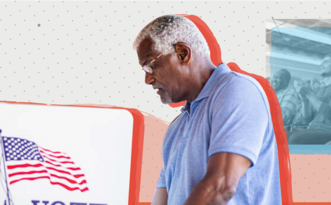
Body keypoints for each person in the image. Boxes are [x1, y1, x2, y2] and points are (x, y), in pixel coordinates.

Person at [133, 15, 281, 205]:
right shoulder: (175, 129)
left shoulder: (238, 90)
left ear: (182, 53)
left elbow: (220, 186)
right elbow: (163, 199)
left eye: (150, 66)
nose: (148, 79)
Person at [288, 54, 331, 144]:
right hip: (313, 129)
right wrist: (305, 100)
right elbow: (307, 119)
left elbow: (329, 113)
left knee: (295, 139)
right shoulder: (319, 90)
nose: (321, 65)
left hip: (327, 132)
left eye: (326, 62)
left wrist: (309, 94)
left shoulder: (313, 93)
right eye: (321, 62)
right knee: (278, 135)